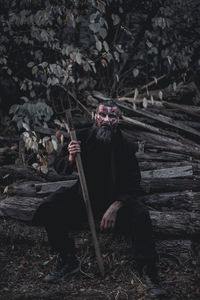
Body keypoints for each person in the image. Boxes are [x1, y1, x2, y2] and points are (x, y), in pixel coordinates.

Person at [32, 100, 158, 284]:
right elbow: (60, 169)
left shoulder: (126, 145)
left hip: (115, 200)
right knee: (49, 207)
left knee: (141, 215)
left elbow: (133, 183)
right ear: (95, 116)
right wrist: (70, 157)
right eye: (103, 115)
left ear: (118, 119)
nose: (107, 119)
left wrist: (116, 206)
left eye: (112, 116)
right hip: (83, 197)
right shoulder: (79, 138)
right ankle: (68, 261)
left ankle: (149, 271)